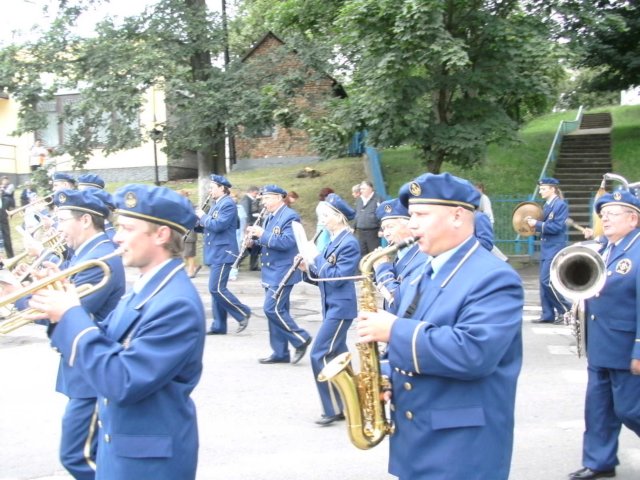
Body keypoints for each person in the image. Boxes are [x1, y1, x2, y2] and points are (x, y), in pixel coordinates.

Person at [28, 184, 205, 480]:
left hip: (149, 463)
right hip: (124, 449)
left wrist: (71, 314)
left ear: (161, 235)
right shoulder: (147, 287)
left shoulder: (176, 304)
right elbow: (104, 338)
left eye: (127, 228)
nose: (117, 237)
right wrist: (59, 303)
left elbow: (122, 379)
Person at [356, 172, 524, 480]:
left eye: (421, 214)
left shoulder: (494, 277)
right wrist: (383, 375)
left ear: (458, 216)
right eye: (411, 215)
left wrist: (393, 330)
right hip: (417, 437)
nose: (413, 224)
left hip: (461, 449)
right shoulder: (422, 271)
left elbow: (474, 352)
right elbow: (412, 342)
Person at [49, 188, 126, 479]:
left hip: (90, 368)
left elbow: (70, 313)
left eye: (61, 219)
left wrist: (18, 297)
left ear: (83, 220)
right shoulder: (86, 253)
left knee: (77, 455)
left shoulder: (99, 258)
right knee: (90, 453)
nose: (57, 227)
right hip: (81, 365)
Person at [567, 190, 640, 480]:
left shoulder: (637, 250)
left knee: (630, 411)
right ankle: (600, 462)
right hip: (600, 343)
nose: (604, 218)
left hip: (626, 347)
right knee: (598, 410)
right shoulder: (603, 249)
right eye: (603, 213)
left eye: (613, 213)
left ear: (633, 218)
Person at [300, 193, 360, 425]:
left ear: (340, 217)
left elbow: (336, 277)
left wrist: (318, 259)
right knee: (339, 356)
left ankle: (334, 407)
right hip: (331, 305)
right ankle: (354, 401)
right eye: (321, 215)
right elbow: (322, 278)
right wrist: (308, 267)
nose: (322, 220)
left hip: (341, 308)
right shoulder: (334, 239)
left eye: (326, 215)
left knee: (320, 354)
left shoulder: (349, 243)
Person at [247, 184, 312, 364]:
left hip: (283, 271)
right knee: (278, 310)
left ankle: (300, 338)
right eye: (263, 199)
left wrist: (263, 234)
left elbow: (286, 242)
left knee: (271, 309)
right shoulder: (269, 216)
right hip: (271, 270)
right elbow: (266, 242)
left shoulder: (290, 216)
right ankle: (280, 352)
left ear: (278, 198)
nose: (263, 202)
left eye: (267, 198)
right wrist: (253, 241)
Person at [196, 174, 251, 335]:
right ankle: (219, 326)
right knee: (217, 290)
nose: (210, 191)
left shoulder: (228, 204)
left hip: (223, 252)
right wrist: (196, 223)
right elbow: (209, 226)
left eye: (212, 188)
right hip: (216, 251)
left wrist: (203, 216)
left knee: (216, 288)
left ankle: (242, 312)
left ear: (222, 188)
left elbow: (218, 225)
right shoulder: (216, 204)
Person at [527, 177, 572, 324]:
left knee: (547, 281)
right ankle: (547, 314)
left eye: (543, 188)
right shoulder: (546, 206)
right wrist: (533, 224)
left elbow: (557, 227)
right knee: (543, 282)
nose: (540, 191)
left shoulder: (560, 205)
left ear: (553, 189)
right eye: (541, 188)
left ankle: (566, 309)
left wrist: (538, 224)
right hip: (547, 248)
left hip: (555, 247)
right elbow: (543, 225)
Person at [373, 198, 429, 314]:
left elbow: (398, 302)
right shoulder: (400, 255)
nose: (386, 234)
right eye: (384, 228)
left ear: (410, 226)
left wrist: (382, 268)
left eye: (391, 226)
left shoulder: (423, 257)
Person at [354, 180, 383, 256]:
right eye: (361, 189)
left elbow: (383, 215)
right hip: (360, 233)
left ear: (370, 188)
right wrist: (353, 227)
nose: (361, 191)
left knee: (374, 254)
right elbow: (357, 215)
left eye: (363, 189)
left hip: (373, 232)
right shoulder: (359, 200)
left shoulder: (378, 199)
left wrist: (381, 229)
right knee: (363, 254)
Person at [179, 190, 201, 278]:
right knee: (186, 253)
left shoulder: (188, 205)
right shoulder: (183, 205)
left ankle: (191, 271)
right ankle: (195, 266)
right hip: (184, 232)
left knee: (189, 253)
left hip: (189, 232)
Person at [239, 186, 261, 271]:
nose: (257, 195)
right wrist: (246, 229)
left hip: (253, 226)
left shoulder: (252, 200)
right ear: (251, 192)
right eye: (256, 193)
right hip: (249, 227)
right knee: (245, 248)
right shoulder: (246, 200)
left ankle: (254, 265)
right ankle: (235, 263)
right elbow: (245, 215)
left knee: (255, 246)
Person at [315, 187, 335, 253]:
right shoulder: (326, 205)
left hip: (320, 226)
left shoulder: (320, 204)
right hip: (325, 226)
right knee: (325, 246)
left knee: (321, 244)